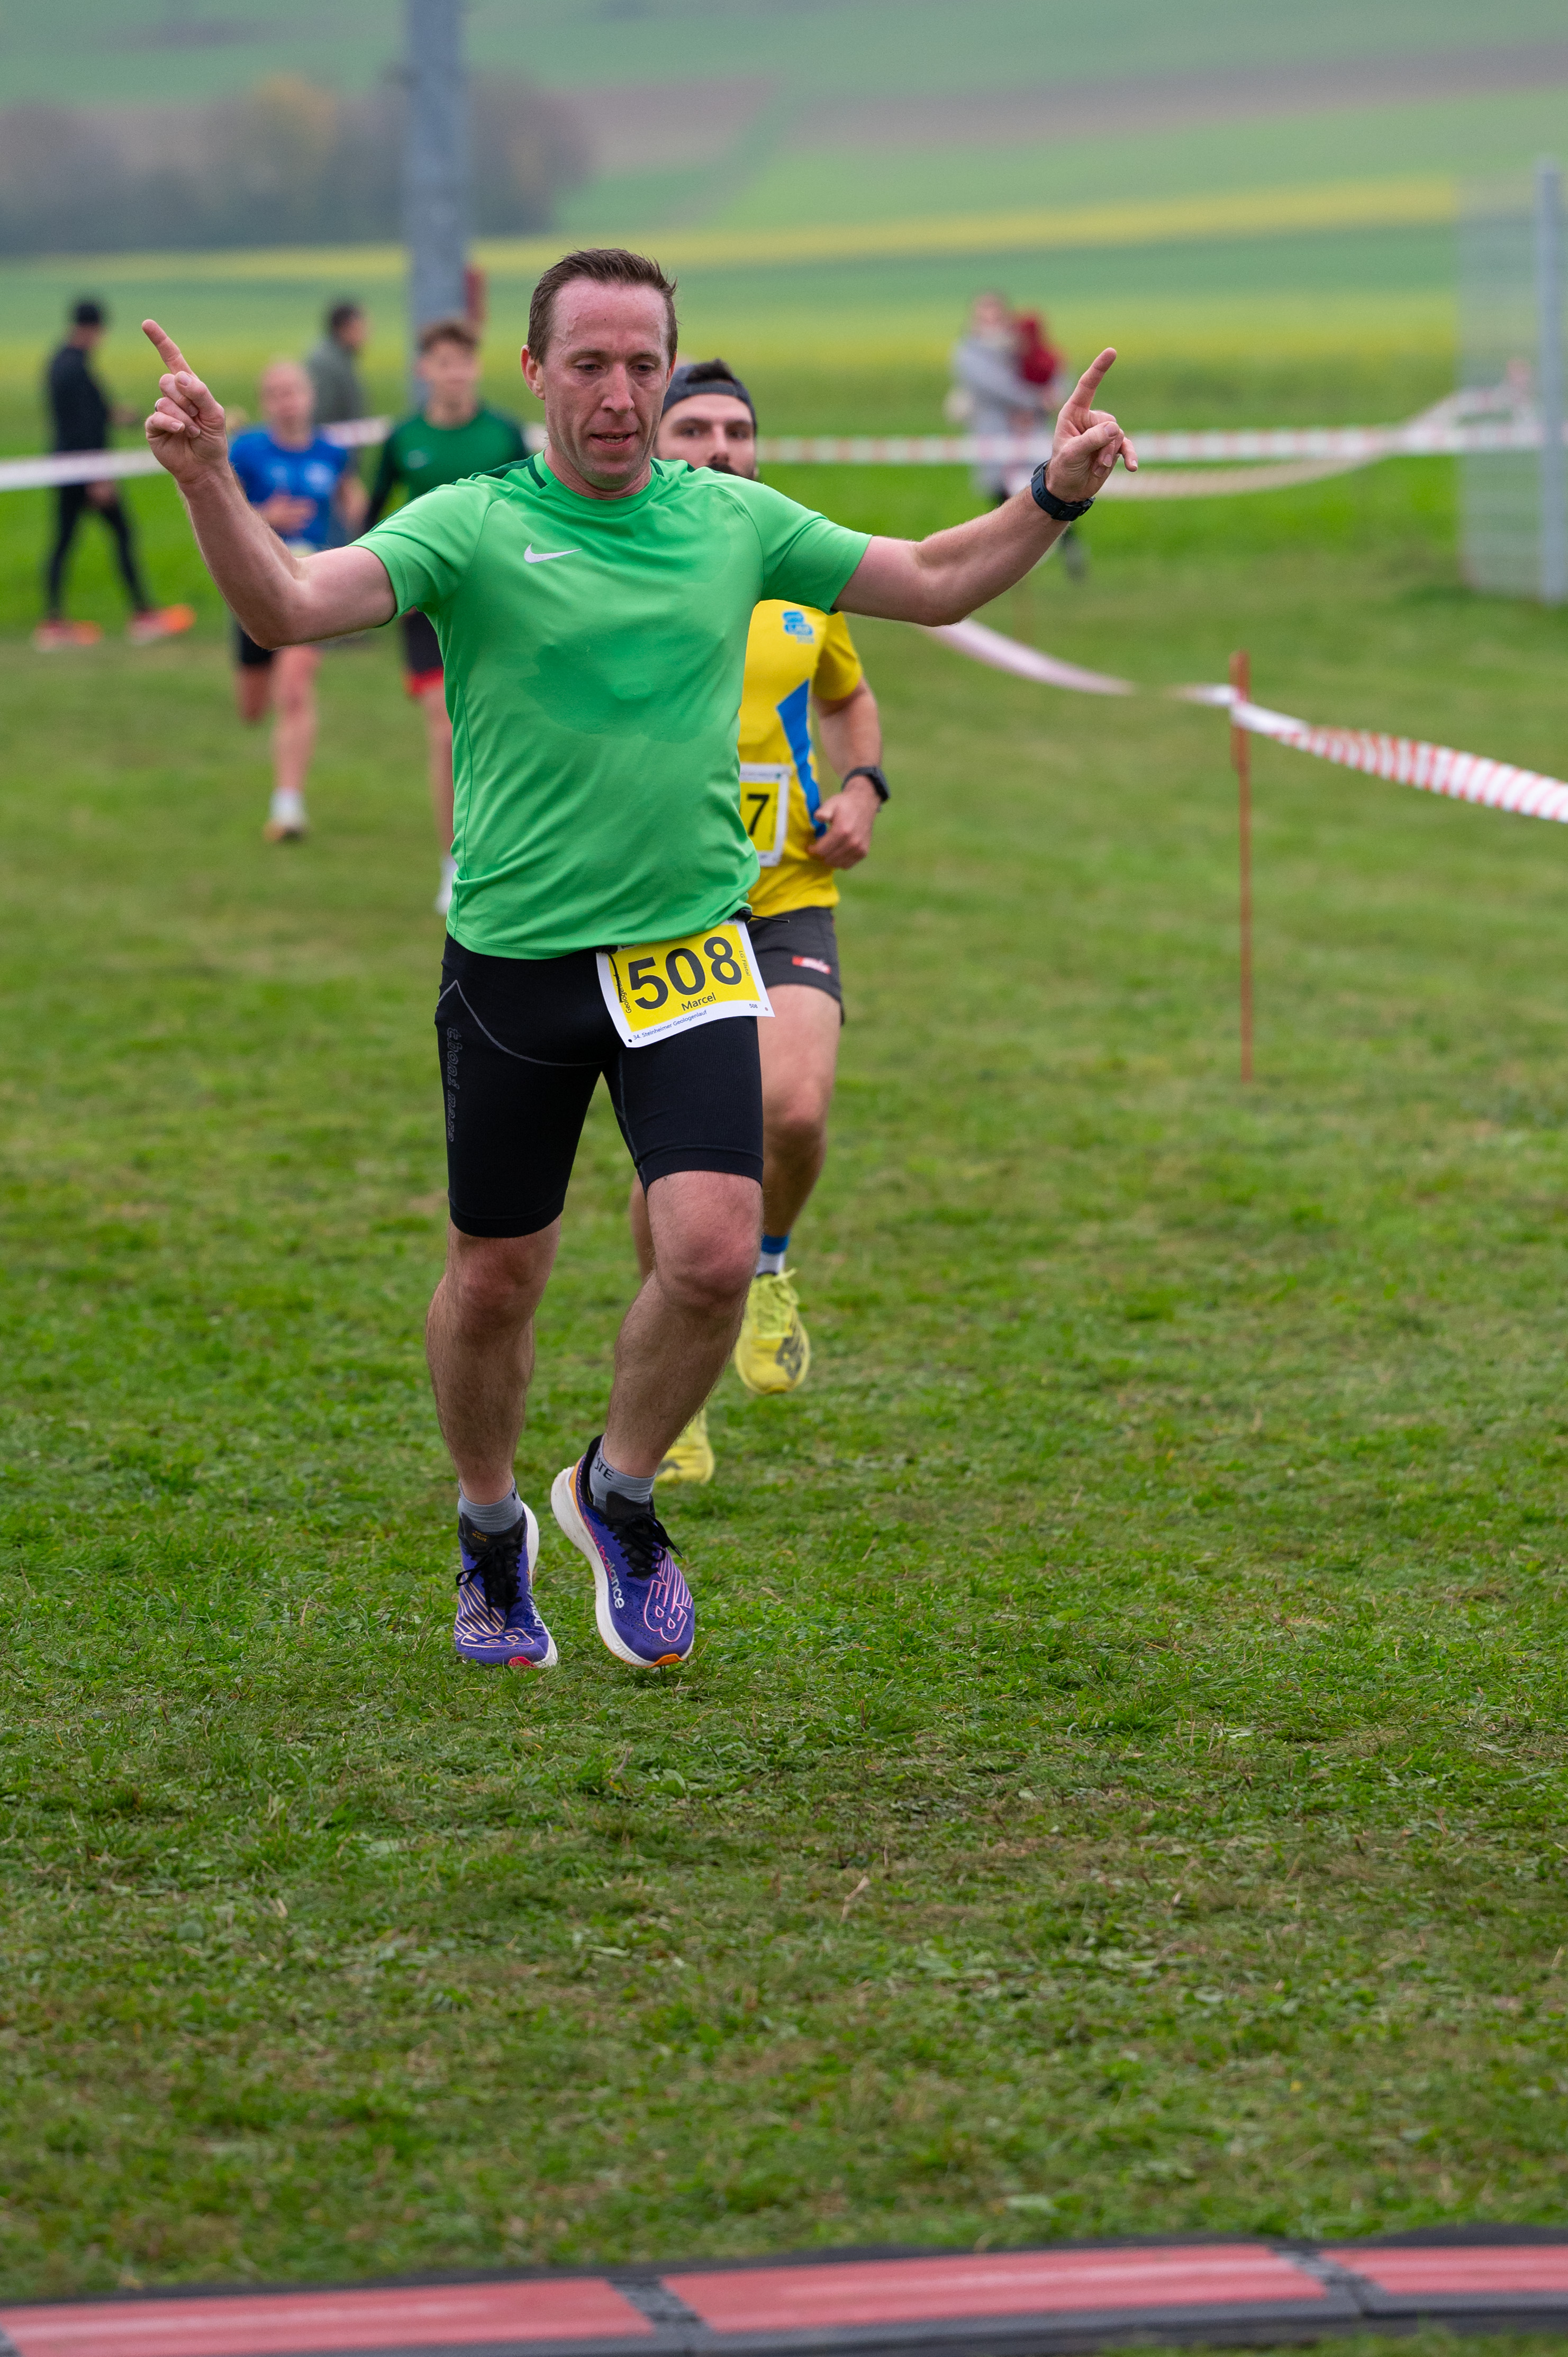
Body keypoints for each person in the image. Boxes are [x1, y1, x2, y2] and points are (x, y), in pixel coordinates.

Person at [139, 246, 1134, 1679]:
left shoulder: (730, 518)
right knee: (498, 1279)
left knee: (715, 1253)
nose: (619, 394)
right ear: (535, 372)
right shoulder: (470, 522)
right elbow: (289, 605)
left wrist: (1051, 494)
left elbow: (928, 580)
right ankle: (491, 1524)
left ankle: (616, 1491)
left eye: (643, 365)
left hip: (689, 948)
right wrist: (206, 481)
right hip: (517, 961)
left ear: (669, 374)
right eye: (590, 364)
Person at [637, 357, 886, 1488]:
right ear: (654, 442)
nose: (719, 448)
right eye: (693, 429)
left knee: (792, 1109)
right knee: (676, 1166)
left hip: (786, 889)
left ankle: (769, 1265)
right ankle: (671, 1381)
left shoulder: (798, 570)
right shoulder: (620, 563)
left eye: (735, 430)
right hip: (658, 904)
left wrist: (863, 785)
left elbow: (844, 694)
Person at [362, 316, 529, 916]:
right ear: (424, 370)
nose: (453, 373)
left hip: (496, 604)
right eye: (442, 363)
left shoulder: (504, 434)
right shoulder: (403, 438)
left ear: (476, 368)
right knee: (445, 728)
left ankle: (510, 852)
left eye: (462, 362)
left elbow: (536, 509)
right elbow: (372, 519)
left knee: (503, 730)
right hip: (426, 608)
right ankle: (452, 864)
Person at [228, 360, 366, 842]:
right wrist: (265, 516)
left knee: (294, 689)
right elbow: (222, 513)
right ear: (265, 402)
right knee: (252, 708)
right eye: (276, 393)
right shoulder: (246, 451)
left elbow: (355, 503)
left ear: (310, 397)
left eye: (293, 391)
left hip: (308, 583)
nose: (287, 402)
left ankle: (287, 808)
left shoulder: (332, 452)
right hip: (252, 586)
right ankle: (282, 784)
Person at [35, 297, 194, 652]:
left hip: (65, 467)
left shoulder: (60, 362)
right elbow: (81, 427)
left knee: (64, 541)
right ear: (95, 329)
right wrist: (98, 476)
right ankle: (143, 616)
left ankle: (53, 621)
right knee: (121, 534)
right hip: (86, 470)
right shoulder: (76, 368)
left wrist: (117, 415)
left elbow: (84, 413)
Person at [950, 291, 1085, 578]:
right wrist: (1036, 401)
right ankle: (1008, 567)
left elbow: (1053, 370)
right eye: (983, 317)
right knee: (1002, 503)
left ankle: (1069, 551)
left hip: (1031, 435)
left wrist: (1050, 398)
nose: (990, 324)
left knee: (1051, 491)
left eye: (996, 317)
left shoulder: (1020, 346)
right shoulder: (968, 353)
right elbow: (995, 386)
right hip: (994, 437)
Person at [304, 301, 369, 428]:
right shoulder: (325, 363)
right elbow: (321, 414)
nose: (367, 335)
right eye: (362, 327)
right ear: (346, 327)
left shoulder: (340, 357)